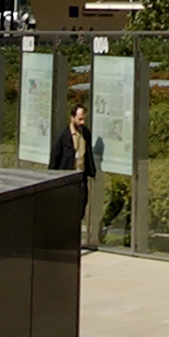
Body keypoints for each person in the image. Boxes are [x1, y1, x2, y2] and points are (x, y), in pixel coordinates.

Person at [50, 98, 102, 250]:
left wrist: (91, 172)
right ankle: (63, 240)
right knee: (65, 211)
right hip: (66, 179)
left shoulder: (85, 133)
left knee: (80, 209)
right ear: (72, 118)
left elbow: (88, 154)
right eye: (79, 119)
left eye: (83, 119)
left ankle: (72, 238)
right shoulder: (62, 137)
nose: (82, 122)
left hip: (81, 178)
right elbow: (54, 161)